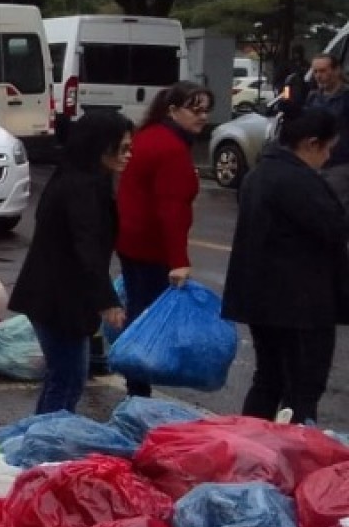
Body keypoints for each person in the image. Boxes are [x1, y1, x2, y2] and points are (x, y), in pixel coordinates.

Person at [222, 109, 349, 426]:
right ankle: (293, 454)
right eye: (328, 148)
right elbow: (333, 228)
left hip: (263, 300)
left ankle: (251, 449)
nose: (329, 156)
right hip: (299, 305)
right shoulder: (297, 180)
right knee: (302, 387)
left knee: (268, 379)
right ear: (311, 143)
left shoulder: (260, 173)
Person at [9, 111, 133, 416]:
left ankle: (49, 440)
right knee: (66, 379)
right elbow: (87, 247)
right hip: (57, 298)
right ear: (102, 146)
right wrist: (107, 300)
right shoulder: (82, 187)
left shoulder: (81, 176)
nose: (128, 155)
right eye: (123, 148)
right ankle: (45, 443)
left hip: (61, 297)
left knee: (67, 378)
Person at [116, 82, 211, 397]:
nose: (203, 117)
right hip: (149, 245)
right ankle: (137, 390)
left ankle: (135, 385)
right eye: (195, 110)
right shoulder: (170, 148)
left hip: (130, 239)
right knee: (146, 318)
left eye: (206, 110)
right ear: (173, 110)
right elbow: (172, 209)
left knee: (139, 311)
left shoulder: (151, 135)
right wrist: (179, 262)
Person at [301, 52, 349, 208]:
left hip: (339, 166)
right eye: (315, 71)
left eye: (323, 71)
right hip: (313, 165)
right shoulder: (313, 98)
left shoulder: (346, 98)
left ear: (336, 71)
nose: (318, 76)